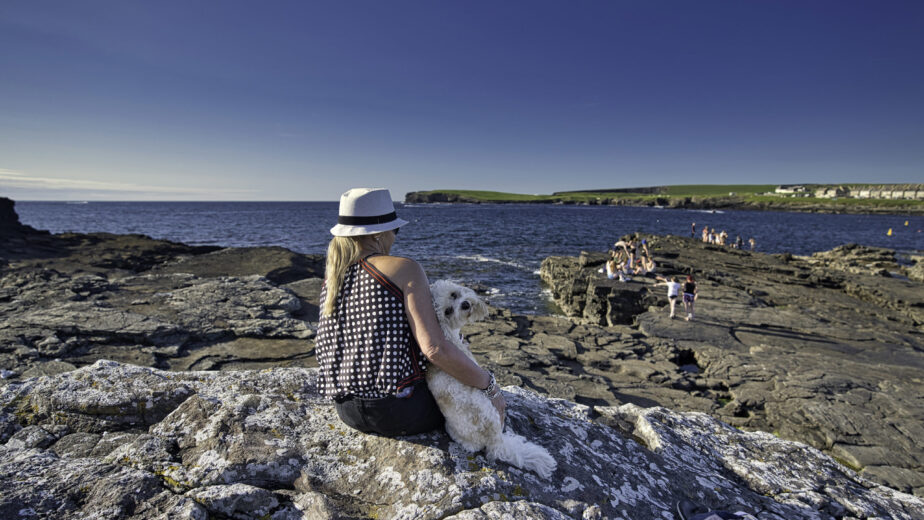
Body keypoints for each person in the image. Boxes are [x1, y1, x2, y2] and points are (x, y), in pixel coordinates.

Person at [315, 188, 505, 437]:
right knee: (481, 407)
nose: (394, 238)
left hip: (347, 411)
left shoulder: (334, 277)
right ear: (379, 234)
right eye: (395, 230)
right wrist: (491, 388)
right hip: (397, 412)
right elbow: (434, 349)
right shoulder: (405, 269)